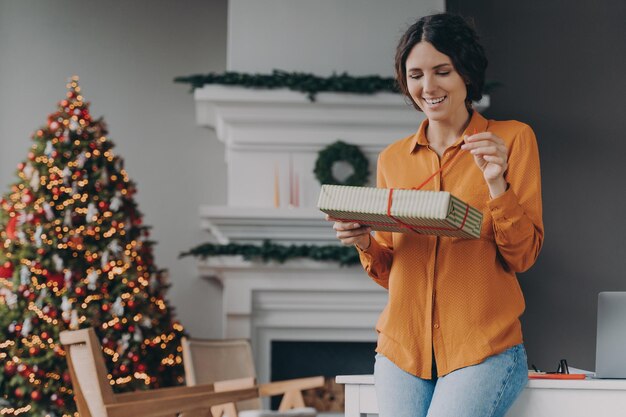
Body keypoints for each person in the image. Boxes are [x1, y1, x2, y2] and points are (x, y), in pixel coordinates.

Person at [327, 13, 544, 417]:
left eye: (442, 71)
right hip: (402, 351)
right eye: (415, 75)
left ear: (466, 73)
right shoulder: (393, 158)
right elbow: (393, 271)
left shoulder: (511, 139)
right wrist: (363, 242)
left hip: (482, 347)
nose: (428, 87)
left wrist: (497, 183)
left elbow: (523, 256)